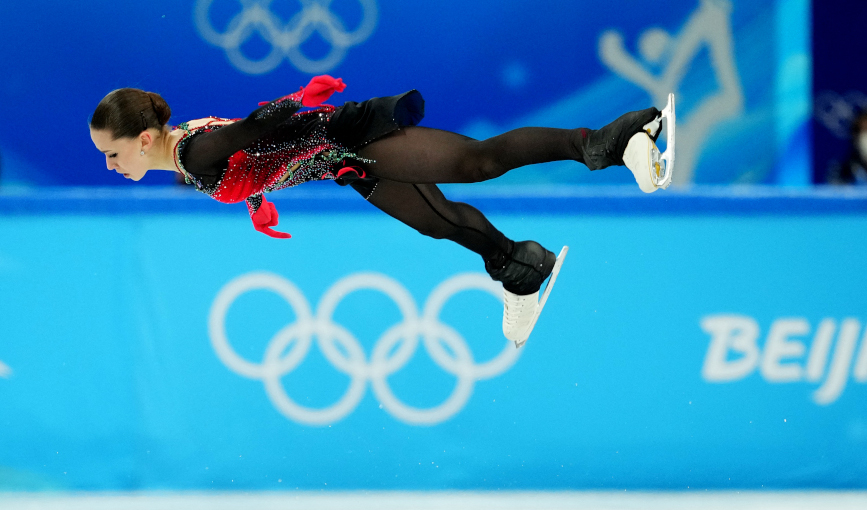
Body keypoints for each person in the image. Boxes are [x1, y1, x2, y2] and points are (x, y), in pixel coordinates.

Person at [89, 76, 670, 345]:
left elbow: (252, 128)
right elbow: (250, 160)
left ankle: (614, 141)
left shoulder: (192, 148)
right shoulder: (185, 156)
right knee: (441, 225)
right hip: (348, 166)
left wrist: (300, 100)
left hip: (352, 142)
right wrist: (257, 202)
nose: (109, 166)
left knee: (477, 162)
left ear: (144, 138)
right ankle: (521, 268)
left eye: (112, 153)